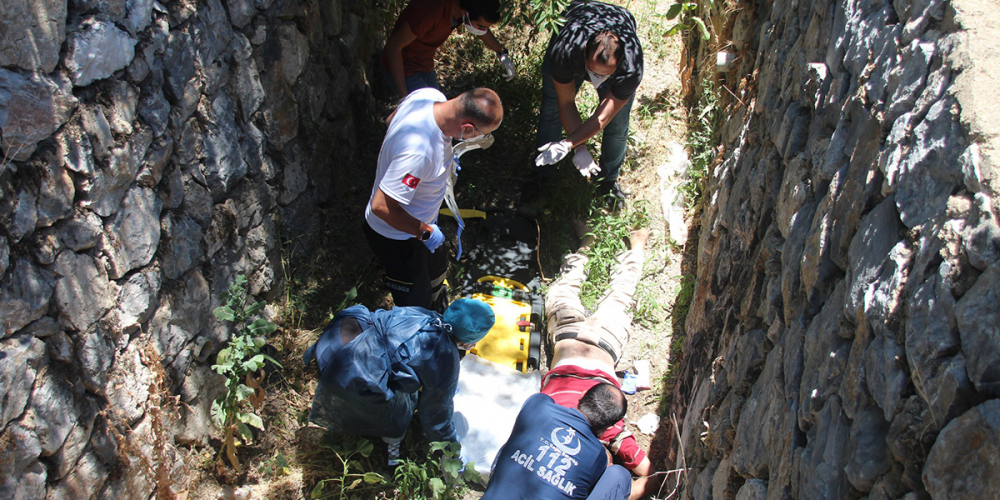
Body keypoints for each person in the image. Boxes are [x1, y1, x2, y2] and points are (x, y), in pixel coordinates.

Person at [304, 298, 496, 465]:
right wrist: (451, 447)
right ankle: (393, 448)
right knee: (403, 405)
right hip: (351, 373)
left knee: (405, 381)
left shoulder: (426, 315)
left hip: (334, 343)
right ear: (469, 341)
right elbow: (436, 412)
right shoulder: (445, 357)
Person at [542, 222, 655, 500]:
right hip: (569, 339)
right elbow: (647, 471)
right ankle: (593, 244)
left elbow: (647, 471)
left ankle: (626, 245)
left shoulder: (611, 430)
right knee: (567, 290)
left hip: (602, 343)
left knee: (618, 296)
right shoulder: (548, 413)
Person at [364, 87, 503, 311]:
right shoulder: (419, 153)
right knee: (415, 306)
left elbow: (391, 120)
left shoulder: (428, 96)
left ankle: (434, 306)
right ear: (467, 127)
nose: (479, 139)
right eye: (479, 135)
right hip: (398, 237)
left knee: (436, 273)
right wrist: (425, 232)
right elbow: (381, 207)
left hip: (420, 223)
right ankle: (420, 330)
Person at [533, 1, 643, 207]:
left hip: (620, 24)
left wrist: (568, 144)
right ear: (584, 51)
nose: (595, 79)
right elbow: (565, 102)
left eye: (604, 75)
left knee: (617, 124)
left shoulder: (631, 69)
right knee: (551, 109)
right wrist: (578, 147)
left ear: (619, 63)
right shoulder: (565, 51)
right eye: (592, 72)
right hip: (578, 18)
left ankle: (607, 181)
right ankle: (542, 176)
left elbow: (603, 117)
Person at [482, 383, 632, 500]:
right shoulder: (598, 457)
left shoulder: (538, 405)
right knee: (619, 476)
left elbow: (544, 399)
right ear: (609, 427)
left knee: (517, 439)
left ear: (582, 395)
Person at [381, 0, 515, 97]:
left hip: (425, 65)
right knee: (429, 118)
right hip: (404, 68)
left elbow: (482, 32)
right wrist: (404, 98)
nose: (483, 31)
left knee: (439, 112)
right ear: (465, 13)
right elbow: (393, 47)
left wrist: (501, 53)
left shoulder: (463, 7)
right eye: (480, 26)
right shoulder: (430, 12)